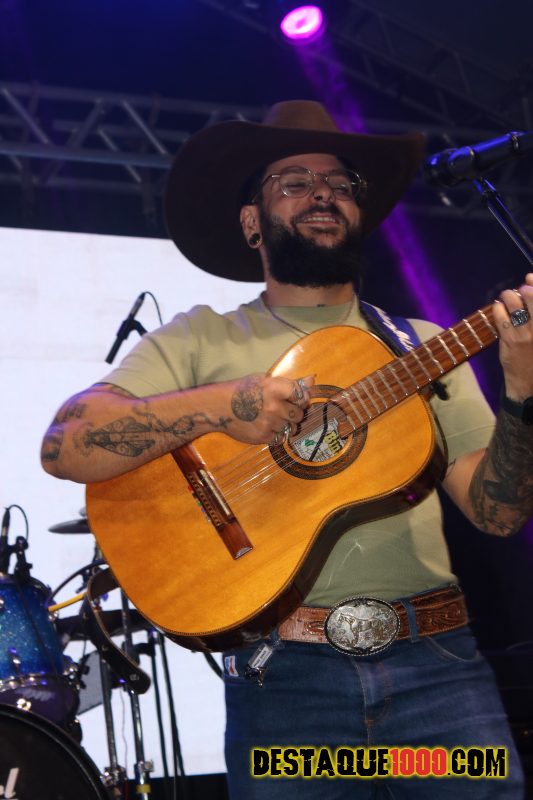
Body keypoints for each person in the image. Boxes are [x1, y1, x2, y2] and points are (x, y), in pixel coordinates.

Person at [41, 101, 533, 799]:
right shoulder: (200, 338)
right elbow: (66, 444)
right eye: (294, 182)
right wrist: (225, 406)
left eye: (338, 183)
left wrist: (523, 393)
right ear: (252, 222)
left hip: (439, 680)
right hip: (283, 689)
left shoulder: (421, 346)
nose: (322, 193)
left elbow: (497, 513)